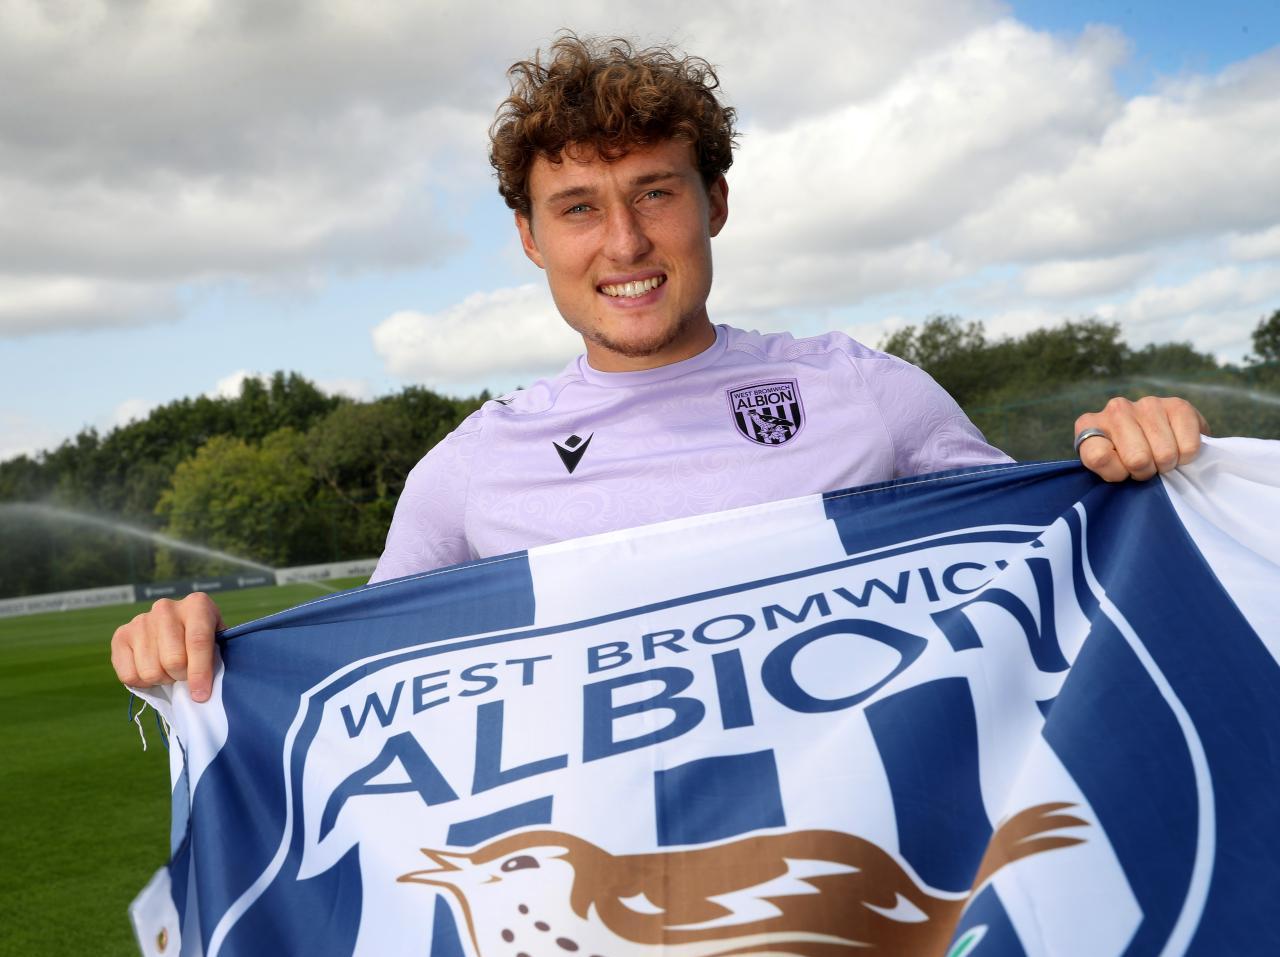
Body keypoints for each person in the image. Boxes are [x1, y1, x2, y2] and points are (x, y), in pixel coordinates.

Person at [110, 34, 1209, 703]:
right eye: (577, 208)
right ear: (531, 241)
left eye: (656, 192)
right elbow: (360, 688)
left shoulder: (862, 389)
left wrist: (1129, 462)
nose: (624, 244)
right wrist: (206, 654)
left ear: (714, 203)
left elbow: (1041, 563)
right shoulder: (467, 472)